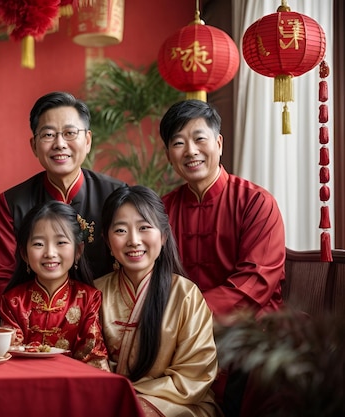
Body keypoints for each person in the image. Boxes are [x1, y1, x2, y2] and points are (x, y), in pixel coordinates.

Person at [159, 99, 286, 416]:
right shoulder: (162, 209)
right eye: (178, 143)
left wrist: (189, 319)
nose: (190, 151)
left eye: (199, 139)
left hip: (247, 326)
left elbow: (256, 282)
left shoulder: (256, 202)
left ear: (218, 143)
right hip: (176, 326)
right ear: (169, 155)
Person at [0, 91, 126, 309]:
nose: (59, 144)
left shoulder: (115, 195)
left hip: (105, 316)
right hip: (33, 321)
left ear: (87, 141)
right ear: (34, 146)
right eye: (48, 135)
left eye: (69, 133)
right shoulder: (12, 203)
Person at [97, 185, 221, 417]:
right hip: (108, 401)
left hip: (178, 405)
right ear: (107, 240)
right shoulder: (94, 293)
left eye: (144, 228)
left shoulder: (185, 295)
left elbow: (193, 376)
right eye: (121, 230)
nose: (134, 240)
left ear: (163, 236)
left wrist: (128, 396)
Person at [0, 201, 109, 370]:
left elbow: (92, 357)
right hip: (25, 384)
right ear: (24, 253)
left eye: (60, 242)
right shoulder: (14, 300)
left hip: (72, 385)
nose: (50, 253)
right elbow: (9, 351)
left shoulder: (89, 298)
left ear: (78, 251)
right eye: (39, 244)